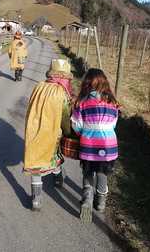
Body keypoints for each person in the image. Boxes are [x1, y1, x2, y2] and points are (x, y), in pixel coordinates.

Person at [24, 59, 74, 211]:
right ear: (65, 77)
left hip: (35, 130)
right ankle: (58, 180)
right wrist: (68, 132)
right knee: (55, 157)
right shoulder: (62, 93)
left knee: (35, 163)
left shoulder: (39, 86)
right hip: (53, 133)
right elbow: (65, 117)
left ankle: (36, 200)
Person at [71, 68, 119, 223]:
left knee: (87, 172)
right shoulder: (113, 103)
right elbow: (113, 124)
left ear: (86, 84)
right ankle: (101, 202)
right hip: (108, 146)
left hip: (88, 145)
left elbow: (76, 124)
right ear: (105, 84)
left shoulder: (82, 103)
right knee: (102, 173)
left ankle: (87, 199)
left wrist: (82, 133)